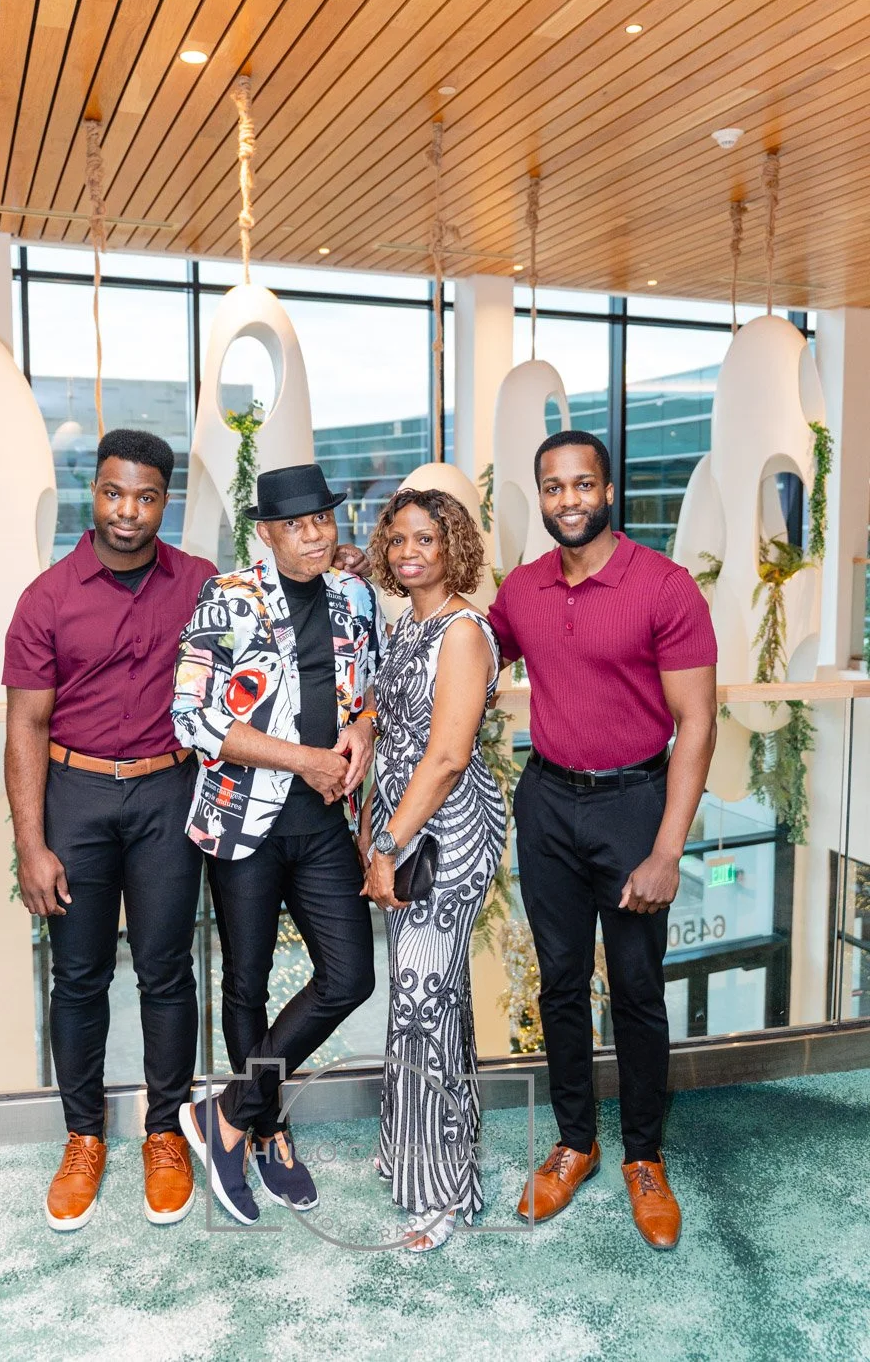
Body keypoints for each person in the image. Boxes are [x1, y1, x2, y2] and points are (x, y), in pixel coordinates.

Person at [487, 430, 717, 1250]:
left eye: (583, 484)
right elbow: (468, 658)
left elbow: (696, 723)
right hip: (547, 799)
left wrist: (667, 849)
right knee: (557, 983)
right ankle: (575, 1143)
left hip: (634, 803)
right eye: (553, 488)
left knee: (636, 990)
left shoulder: (664, 587)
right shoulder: (521, 589)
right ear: (540, 496)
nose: (568, 500)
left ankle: (644, 1159)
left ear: (609, 491)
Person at [3, 428, 218, 1232]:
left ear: (167, 500)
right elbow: (24, 727)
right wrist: (32, 843)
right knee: (79, 978)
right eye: (113, 492)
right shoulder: (46, 597)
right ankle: (83, 1137)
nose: (128, 512)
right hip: (78, 798)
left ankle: (164, 1132)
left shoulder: (200, 583)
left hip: (168, 795)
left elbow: (281, 605)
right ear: (92, 491)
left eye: (147, 496)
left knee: (167, 973)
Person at [172, 463, 385, 1224]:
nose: (316, 535)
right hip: (244, 823)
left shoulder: (353, 596)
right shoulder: (226, 600)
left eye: (323, 520)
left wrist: (359, 732)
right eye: (297, 525)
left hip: (324, 824)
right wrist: (304, 758)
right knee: (246, 985)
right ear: (266, 533)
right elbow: (192, 719)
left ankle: (227, 1113)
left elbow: (371, 692)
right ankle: (267, 1130)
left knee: (351, 975)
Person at [361, 487, 505, 1254]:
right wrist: (371, 830)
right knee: (429, 1000)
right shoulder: (404, 625)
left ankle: (442, 1192)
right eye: (399, 539)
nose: (410, 551)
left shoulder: (462, 632)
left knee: (421, 1001)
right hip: (400, 827)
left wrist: (387, 843)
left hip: (445, 836)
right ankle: (426, 1156)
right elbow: (387, 725)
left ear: (455, 549)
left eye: (428, 538)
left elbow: (447, 756)